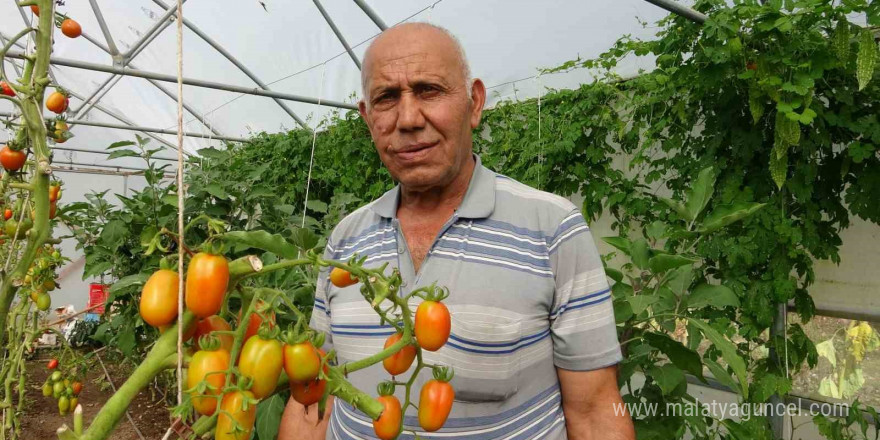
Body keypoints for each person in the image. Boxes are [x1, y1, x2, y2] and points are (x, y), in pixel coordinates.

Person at [279, 22, 634, 440]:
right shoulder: (345, 238)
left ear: (475, 102)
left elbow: (594, 412)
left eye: (429, 90)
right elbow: (312, 398)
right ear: (367, 117)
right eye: (386, 98)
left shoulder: (552, 229)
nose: (408, 118)